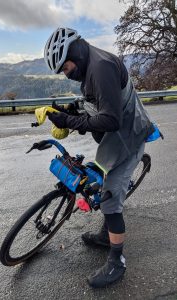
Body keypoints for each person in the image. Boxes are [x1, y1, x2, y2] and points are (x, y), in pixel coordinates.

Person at [44, 27, 154, 288]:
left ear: (75, 54)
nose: (64, 73)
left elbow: (111, 120)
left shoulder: (101, 67)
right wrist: (69, 110)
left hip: (127, 136)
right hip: (114, 139)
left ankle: (117, 262)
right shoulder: (90, 63)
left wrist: (69, 121)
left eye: (64, 67)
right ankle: (106, 236)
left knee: (110, 198)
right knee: (101, 180)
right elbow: (95, 100)